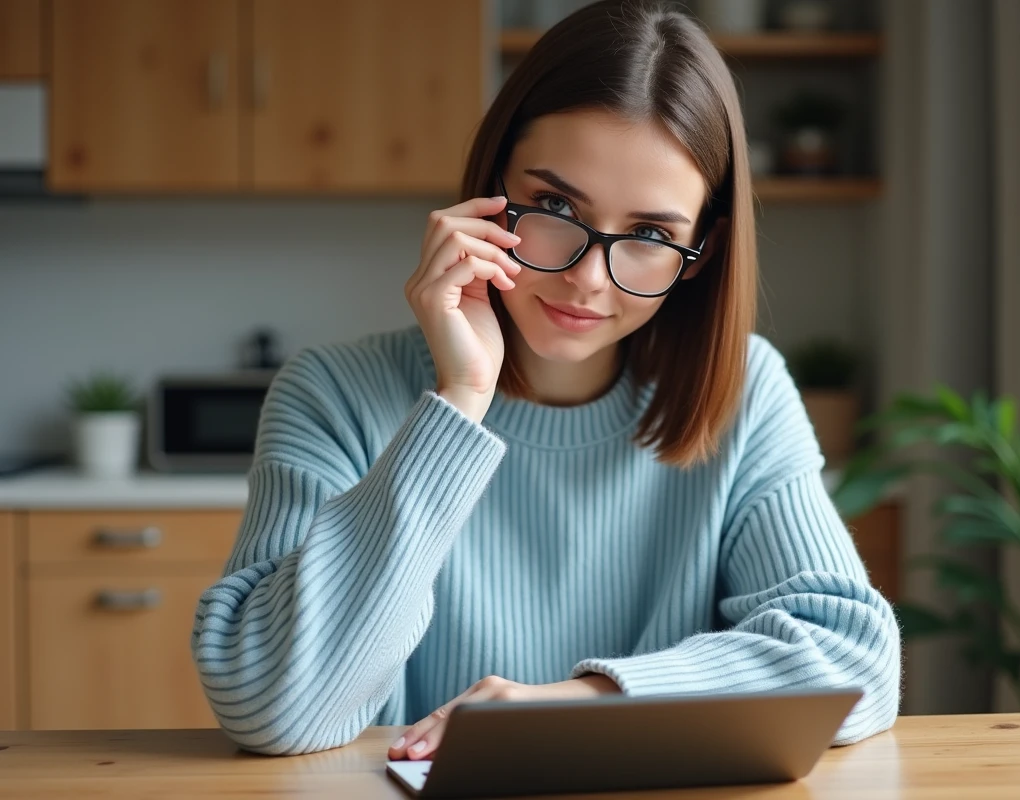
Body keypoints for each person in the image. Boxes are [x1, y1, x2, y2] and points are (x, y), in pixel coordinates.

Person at [190, 0, 901, 759]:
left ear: (704, 252)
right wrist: (459, 403)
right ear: (490, 191)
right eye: (555, 205)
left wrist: (579, 703)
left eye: (652, 235)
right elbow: (272, 705)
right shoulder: (333, 393)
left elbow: (852, 663)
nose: (589, 280)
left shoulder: (747, 393)